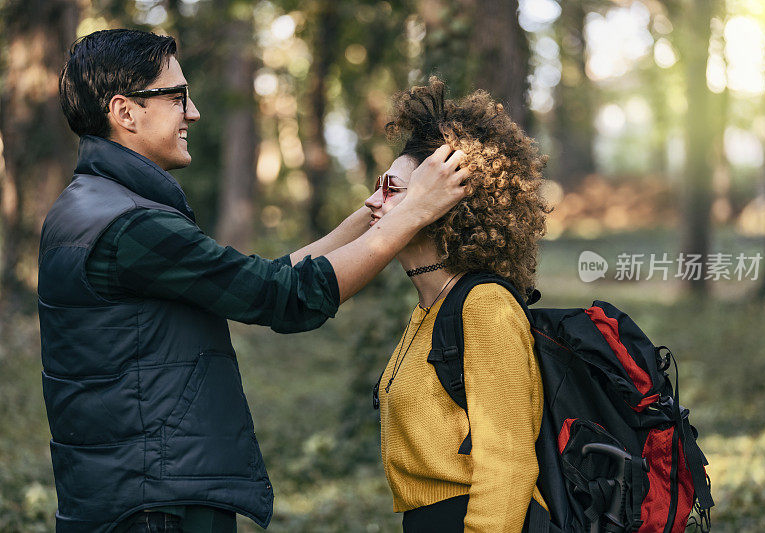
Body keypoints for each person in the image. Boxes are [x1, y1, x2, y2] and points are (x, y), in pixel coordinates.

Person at [40, 29, 468, 532]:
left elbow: (261, 279)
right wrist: (412, 213)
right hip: (154, 504)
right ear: (125, 111)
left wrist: (375, 213)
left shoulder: (92, 206)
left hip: (131, 491)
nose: (192, 112)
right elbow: (283, 299)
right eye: (176, 96)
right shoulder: (132, 226)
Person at [368, 78, 550, 532]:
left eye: (391, 189)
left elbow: (508, 467)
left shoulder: (485, 307)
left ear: (442, 204)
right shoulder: (427, 308)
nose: (371, 201)